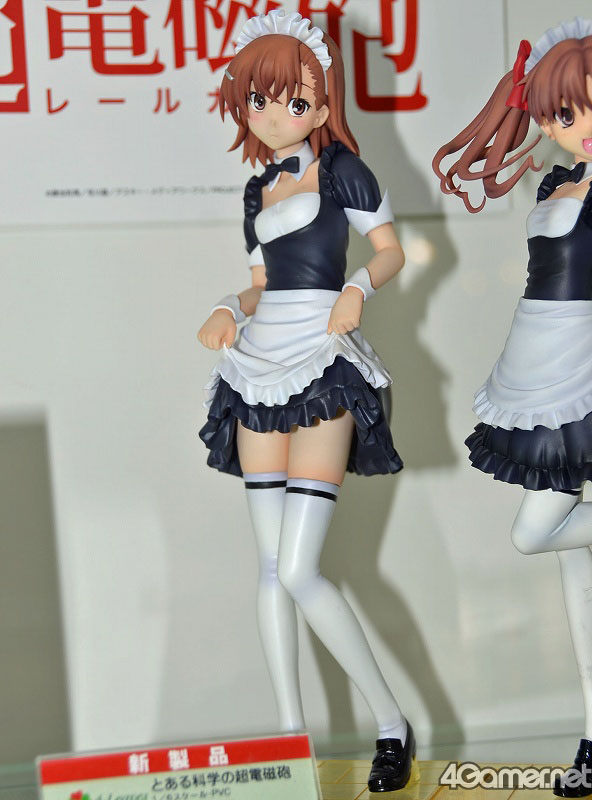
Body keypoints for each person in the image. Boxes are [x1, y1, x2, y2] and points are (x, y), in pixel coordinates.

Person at [197, 9, 413, 793]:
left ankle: (391, 723)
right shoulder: (257, 188)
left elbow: (390, 251)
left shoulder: (345, 170)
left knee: (297, 567)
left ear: (323, 106)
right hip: (258, 365)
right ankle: (290, 742)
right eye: (259, 99)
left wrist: (357, 289)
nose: (273, 115)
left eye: (294, 101)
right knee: (268, 567)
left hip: (323, 359)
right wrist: (228, 305)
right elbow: (259, 283)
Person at [433, 16, 592, 797]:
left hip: (583, 365)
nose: (582, 125)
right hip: (539, 359)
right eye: (566, 112)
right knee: (563, 548)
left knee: (539, 532)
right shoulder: (553, 182)